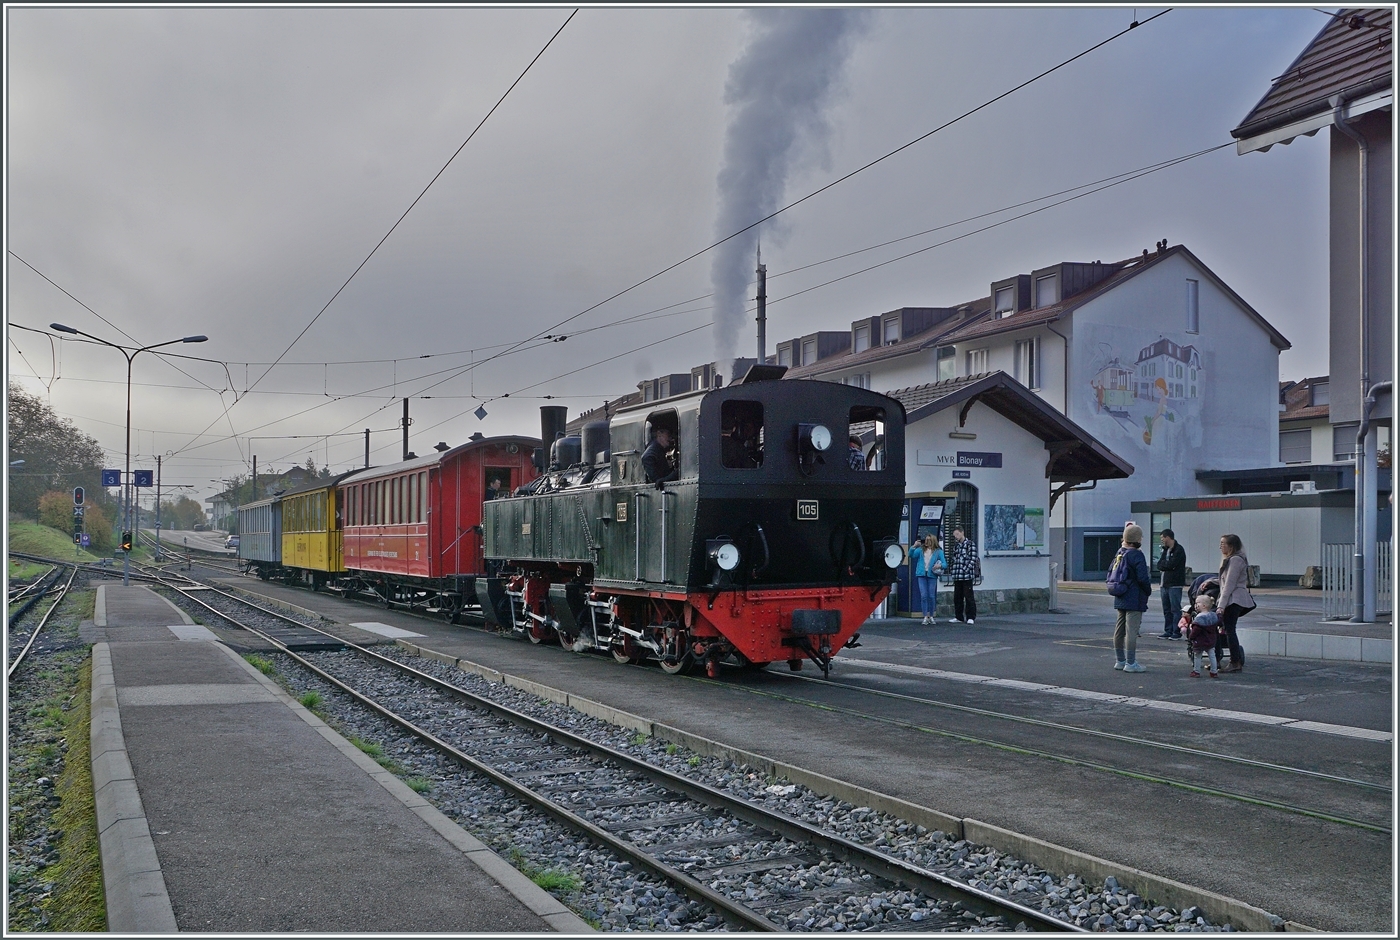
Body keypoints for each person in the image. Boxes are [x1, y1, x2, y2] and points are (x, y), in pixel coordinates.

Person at [1108, 522, 1152, 672]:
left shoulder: (1120, 553)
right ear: (1137, 539)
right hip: (1134, 596)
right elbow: (1142, 578)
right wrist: (1148, 590)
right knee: (1131, 631)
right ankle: (1131, 663)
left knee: (1119, 630)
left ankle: (1120, 660)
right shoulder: (1137, 555)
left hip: (1120, 594)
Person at [1216, 533, 1256, 673]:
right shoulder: (1233, 559)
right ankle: (1234, 660)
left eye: (1223, 543)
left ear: (1231, 546)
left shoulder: (1235, 560)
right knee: (1229, 629)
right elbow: (1225, 580)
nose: (1220, 546)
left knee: (1229, 630)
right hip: (1233, 598)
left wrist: (1221, 606)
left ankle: (1235, 661)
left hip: (1234, 599)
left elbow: (1229, 584)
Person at [909, 534, 946, 625]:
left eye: (929, 540)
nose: (926, 542)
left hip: (932, 575)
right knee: (924, 595)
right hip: (921, 574)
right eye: (926, 540)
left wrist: (939, 565)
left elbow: (945, 563)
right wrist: (914, 546)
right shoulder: (921, 550)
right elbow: (911, 555)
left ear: (933, 541)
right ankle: (925, 616)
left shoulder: (938, 551)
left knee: (931, 596)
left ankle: (932, 615)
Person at [1156, 529, 1187, 639]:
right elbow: (1159, 564)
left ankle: (1176, 632)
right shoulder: (1165, 550)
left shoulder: (1179, 550)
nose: (1162, 541)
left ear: (1168, 537)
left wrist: (1166, 565)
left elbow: (1172, 564)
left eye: (1162, 538)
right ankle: (1168, 630)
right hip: (1164, 584)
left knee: (1175, 609)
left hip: (1174, 584)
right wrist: (1166, 565)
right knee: (1166, 609)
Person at [948, 526, 981, 624]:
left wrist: (966, 569)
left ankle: (971, 616)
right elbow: (953, 558)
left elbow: (973, 558)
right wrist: (952, 569)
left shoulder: (970, 544)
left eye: (957, 534)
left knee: (969, 596)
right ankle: (959, 616)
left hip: (966, 575)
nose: (956, 537)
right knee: (957, 597)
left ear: (962, 533)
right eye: (955, 535)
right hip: (957, 575)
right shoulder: (956, 546)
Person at [1186, 593, 1221, 678]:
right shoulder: (1213, 616)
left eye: (1197, 603)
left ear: (1204, 605)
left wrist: (1191, 637)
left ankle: (1196, 671)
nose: (1195, 605)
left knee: (1198, 656)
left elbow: (1196, 630)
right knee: (1212, 656)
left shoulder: (1199, 618)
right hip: (1211, 639)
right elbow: (1219, 622)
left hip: (1200, 640)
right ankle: (1214, 671)